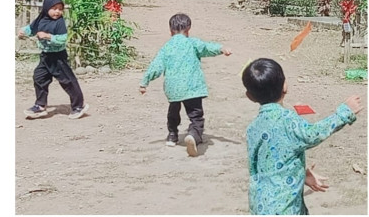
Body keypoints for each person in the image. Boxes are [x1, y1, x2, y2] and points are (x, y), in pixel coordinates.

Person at [241, 57, 362, 215]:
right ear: (285, 86)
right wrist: (343, 113)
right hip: (285, 208)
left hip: (260, 205)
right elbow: (313, 134)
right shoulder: (288, 121)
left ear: (249, 96)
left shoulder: (253, 128)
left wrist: (301, 174)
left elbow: (268, 163)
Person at [139, 13, 232, 157]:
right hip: (192, 86)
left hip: (173, 88)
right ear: (188, 29)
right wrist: (221, 49)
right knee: (196, 115)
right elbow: (206, 48)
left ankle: (172, 135)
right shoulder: (192, 43)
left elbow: (156, 66)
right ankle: (194, 135)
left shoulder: (167, 47)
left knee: (173, 111)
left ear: (170, 31)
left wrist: (144, 82)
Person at [18, 0, 89, 120]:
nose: (57, 12)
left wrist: (48, 36)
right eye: (54, 8)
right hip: (45, 56)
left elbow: (62, 39)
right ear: (46, 8)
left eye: (60, 9)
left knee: (67, 81)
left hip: (58, 58)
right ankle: (40, 106)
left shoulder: (59, 23)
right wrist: (23, 31)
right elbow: (32, 29)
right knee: (39, 77)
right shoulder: (41, 19)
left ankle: (78, 106)